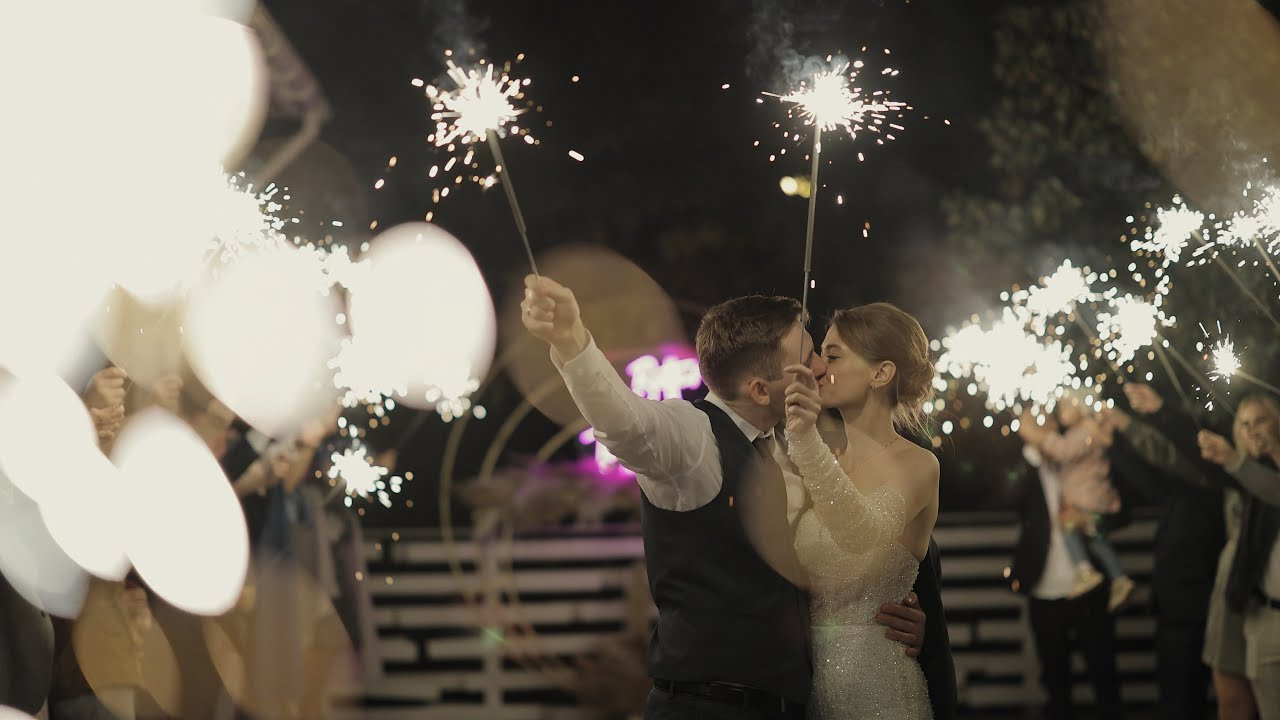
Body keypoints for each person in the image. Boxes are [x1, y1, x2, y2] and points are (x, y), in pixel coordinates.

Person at [521, 275, 955, 720]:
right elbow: (626, 422)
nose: (820, 369)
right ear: (760, 389)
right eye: (809, 358)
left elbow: (885, 553)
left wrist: (905, 617)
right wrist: (572, 341)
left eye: (826, 355)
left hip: (818, 697)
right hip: (708, 706)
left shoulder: (797, 448)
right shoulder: (691, 436)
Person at [779, 302, 940, 719]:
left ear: (880, 373)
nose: (816, 368)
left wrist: (805, 443)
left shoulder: (917, 464)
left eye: (833, 356)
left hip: (879, 691)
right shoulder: (822, 464)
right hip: (808, 694)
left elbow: (862, 536)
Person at [1010, 414, 1123, 720]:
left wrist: (1093, 521)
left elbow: (1119, 512)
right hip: (1045, 590)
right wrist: (1033, 455)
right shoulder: (1028, 467)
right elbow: (1010, 498)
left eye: (1048, 420)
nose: (1043, 426)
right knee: (1055, 682)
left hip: (1091, 587)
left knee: (1105, 675)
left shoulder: (1081, 457)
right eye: (1036, 422)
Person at [1196, 393, 1280, 719]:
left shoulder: (1249, 472)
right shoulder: (1236, 475)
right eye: (1244, 424)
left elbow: (1273, 489)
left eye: (1260, 420)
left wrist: (1263, 453)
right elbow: (1185, 460)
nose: (1253, 430)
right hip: (1256, 609)